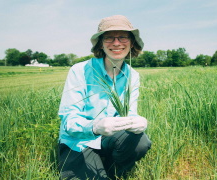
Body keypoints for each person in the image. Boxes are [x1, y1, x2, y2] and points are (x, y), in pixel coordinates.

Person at [58, 15, 151, 180]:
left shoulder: (132, 75)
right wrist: (95, 127)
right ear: (101, 43)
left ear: (131, 42)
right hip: (79, 142)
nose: (116, 43)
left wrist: (138, 122)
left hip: (109, 139)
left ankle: (114, 169)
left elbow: (130, 113)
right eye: (109, 37)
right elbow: (68, 121)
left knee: (141, 141)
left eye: (123, 36)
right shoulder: (79, 70)